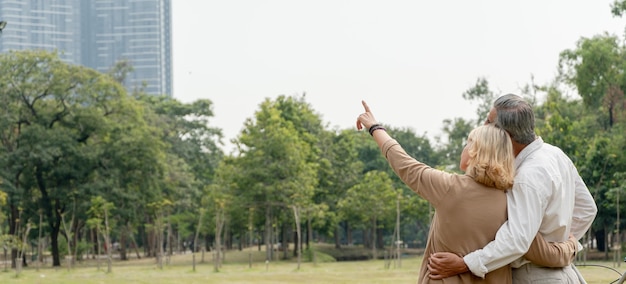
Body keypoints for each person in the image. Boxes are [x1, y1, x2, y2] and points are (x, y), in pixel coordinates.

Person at [356, 100, 579, 283]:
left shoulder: (447, 188)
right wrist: (570, 246)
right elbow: (541, 251)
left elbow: (402, 161)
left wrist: (375, 127)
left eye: (467, 142)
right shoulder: (510, 201)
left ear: (473, 152)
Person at [427, 94, 598, 283]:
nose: (483, 127)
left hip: (533, 277)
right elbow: (587, 209)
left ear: (504, 135)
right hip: (564, 274)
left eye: (488, 122)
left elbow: (517, 240)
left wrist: (466, 263)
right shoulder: (556, 155)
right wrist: (560, 243)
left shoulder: (525, 176)